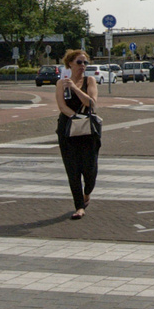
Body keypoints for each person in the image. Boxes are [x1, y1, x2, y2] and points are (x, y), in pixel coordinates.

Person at [54, 49, 100, 220]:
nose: (83, 66)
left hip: (88, 129)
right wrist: (74, 118)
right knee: (72, 169)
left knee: (90, 169)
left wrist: (75, 88)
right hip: (68, 128)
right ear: (70, 64)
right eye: (79, 62)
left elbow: (91, 103)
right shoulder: (61, 83)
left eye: (85, 63)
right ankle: (79, 206)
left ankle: (87, 192)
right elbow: (61, 106)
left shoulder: (90, 81)